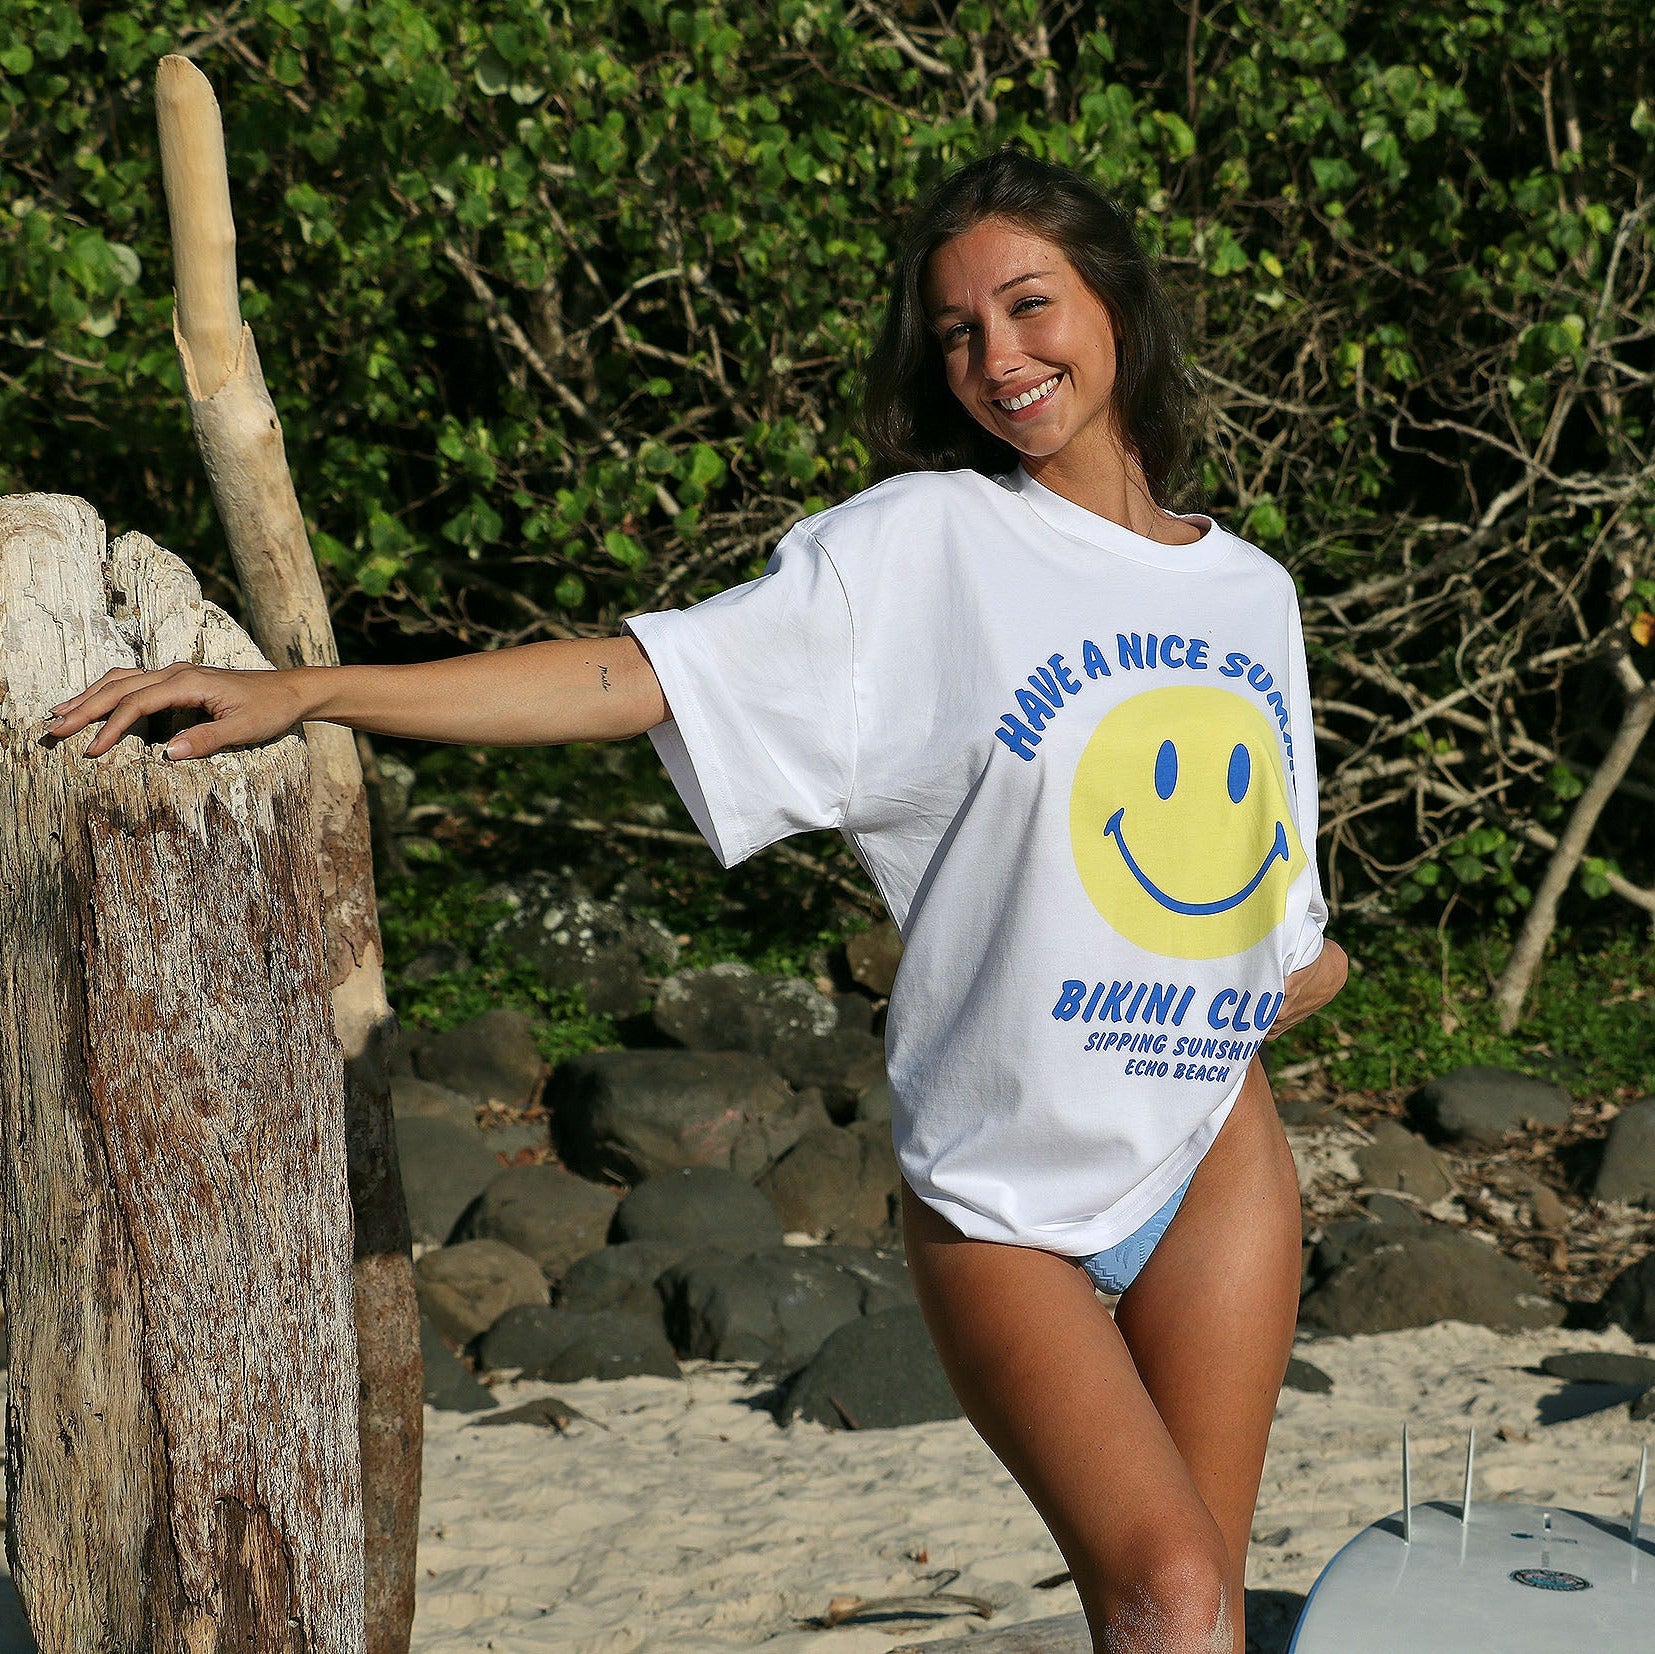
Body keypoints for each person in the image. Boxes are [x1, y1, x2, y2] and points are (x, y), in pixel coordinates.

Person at [46, 148, 1347, 1653]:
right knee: (1166, 1587)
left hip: (1212, 1149)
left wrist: (1290, 970)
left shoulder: (1250, 594)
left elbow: (1271, 915)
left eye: (1028, 304)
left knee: (1201, 1608)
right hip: (1003, 1189)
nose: (998, 355)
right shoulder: (920, 548)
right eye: (957, 332)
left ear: (1114, 300)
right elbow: (633, 674)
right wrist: (319, 690)